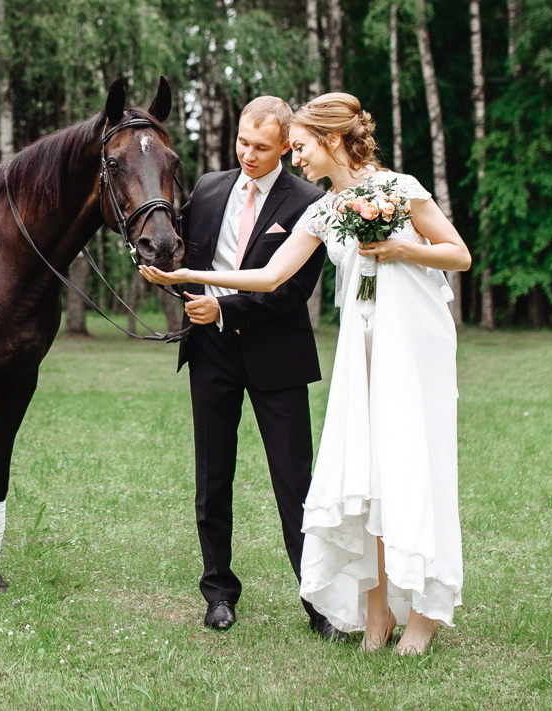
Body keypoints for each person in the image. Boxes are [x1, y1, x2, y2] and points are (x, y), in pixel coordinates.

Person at [142, 93, 471, 655]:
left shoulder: (400, 189)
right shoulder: (324, 210)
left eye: (299, 149)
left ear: (331, 140)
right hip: (360, 349)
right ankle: (376, 615)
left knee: (408, 468)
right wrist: (183, 276)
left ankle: (423, 612)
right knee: (361, 476)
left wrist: (399, 248)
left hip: (411, 346)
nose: (295, 161)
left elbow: (458, 255)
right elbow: (269, 276)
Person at [174, 96, 341, 639]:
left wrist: (223, 305)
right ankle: (218, 592)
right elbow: (179, 249)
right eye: (242, 142)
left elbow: (292, 290)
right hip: (211, 352)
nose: (247, 154)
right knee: (212, 476)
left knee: (294, 482)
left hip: (278, 353)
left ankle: (317, 600)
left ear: (286, 145)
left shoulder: (311, 200)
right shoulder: (207, 189)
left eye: (261, 147)